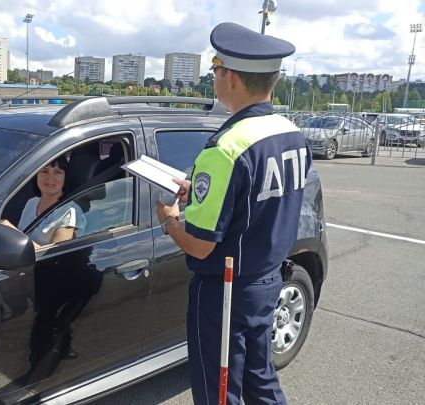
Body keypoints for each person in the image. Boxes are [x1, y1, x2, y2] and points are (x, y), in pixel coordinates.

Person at [156, 22, 311, 405]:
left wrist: (168, 218)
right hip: (267, 279)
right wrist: (206, 195)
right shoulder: (289, 132)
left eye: (216, 71)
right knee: (260, 381)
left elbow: (200, 246)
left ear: (232, 79)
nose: (214, 79)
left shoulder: (224, 148)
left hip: (226, 290)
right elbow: (260, 199)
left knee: (219, 394)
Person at [0, 156, 85, 248]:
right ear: (36, 175)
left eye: (57, 172)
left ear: (65, 178)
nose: (50, 178)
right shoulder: (31, 202)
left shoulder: (70, 211)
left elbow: (54, 257)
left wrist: (12, 233)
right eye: (44, 171)